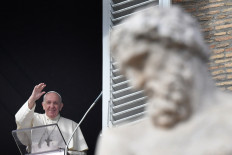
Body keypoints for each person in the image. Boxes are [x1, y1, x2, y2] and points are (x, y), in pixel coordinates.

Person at [95, 6, 232, 155]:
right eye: (129, 73)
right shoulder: (122, 142)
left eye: (141, 62)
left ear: (182, 47)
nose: (137, 83)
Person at [15, 83, 88, 155]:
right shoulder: (34, 119)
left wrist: (66, 154)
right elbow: (20, 119)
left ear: (61, 106)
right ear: (43, 105)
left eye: (55, 103)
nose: (52, 106)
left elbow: (82, 153)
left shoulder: (72, 125)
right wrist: (32, 99)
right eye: (48, 102)